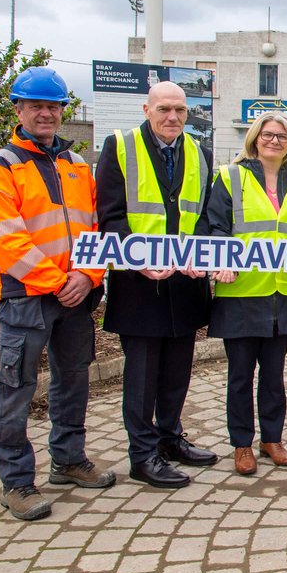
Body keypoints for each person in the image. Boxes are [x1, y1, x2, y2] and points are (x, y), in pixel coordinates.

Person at [0, 67, 115, 520]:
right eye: (36, 105)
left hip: (76, 294)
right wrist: (61, 281)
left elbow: (97, 228)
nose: (45, 113)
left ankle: (68, 460)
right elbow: (6, 239)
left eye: (53, 106)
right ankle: (16, 483)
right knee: (15, 388)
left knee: (73, 380)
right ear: (18, 109)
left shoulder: (76, 166)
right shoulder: (1, 167)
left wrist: (90, 276)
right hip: (26, 297)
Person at [96, 81, 218, 489]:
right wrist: (138, 261)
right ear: (147, 109)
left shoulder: (199, 153)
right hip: (139, 286)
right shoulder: (120, 147)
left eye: (180, 111)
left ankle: (169, 438)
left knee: (177, 372)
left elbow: (201, 216)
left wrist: (198, 254)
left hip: (184, 284)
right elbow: (110, 216)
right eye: (164, 109)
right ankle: (142, 454)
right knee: (143, 376)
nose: (173, 118)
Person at [206, 112, 287, 475]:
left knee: (274, 375)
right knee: (240, 374)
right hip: (241, 292)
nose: (274, 141)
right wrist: (221, 258)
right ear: (254, 138)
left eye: (282, 137)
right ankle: (241, 444)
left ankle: (272, 439)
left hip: (282, 293)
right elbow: (216, 227)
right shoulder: (229, 176)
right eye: (268, 135)